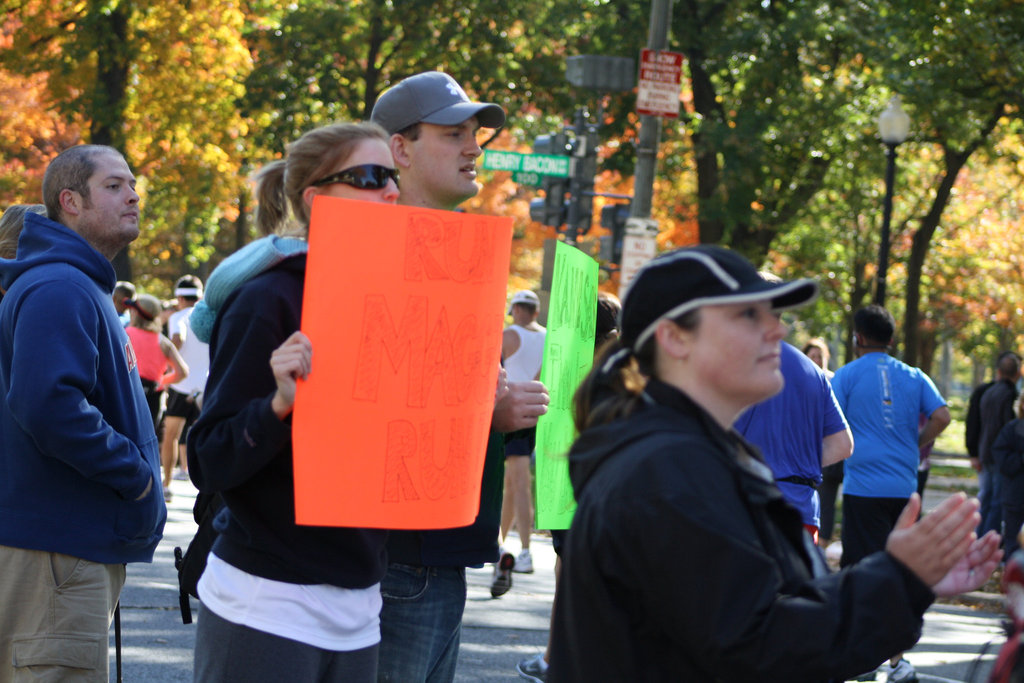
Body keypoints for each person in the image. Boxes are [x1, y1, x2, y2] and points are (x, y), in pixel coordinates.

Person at [547, 245, 1001, 682]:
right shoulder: (667, 473)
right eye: (749, 316)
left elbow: (771, 619)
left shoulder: (691, 456)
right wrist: (898, 580)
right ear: (674, 339)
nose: (777, 331)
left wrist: (910, 582)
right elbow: (759, 646)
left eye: (774, 316)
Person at [187, 121, 400, 683]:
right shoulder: (268, 299)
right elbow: (208, 458)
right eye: (369, 176)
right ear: (316, 198)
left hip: (361, 605)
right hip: (267, 602)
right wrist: (278, 405)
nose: (391, 191)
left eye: (392, 177)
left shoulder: (397, 302)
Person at [370, 70, 550, 683]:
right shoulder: (379, 249)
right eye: (453, 133)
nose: (475, 146)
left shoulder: (446, 252)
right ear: (400, 148)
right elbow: (378, 403)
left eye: (476, 133)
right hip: (398, 557)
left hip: (437, 555)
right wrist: (492, 415)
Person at [0, 144, 166, 682]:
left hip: (61, 556)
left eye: (132, 184)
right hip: (57, 560)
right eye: (115, 186)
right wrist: (137, 478)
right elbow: (49, 406)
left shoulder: (73, 283)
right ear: (70, 202)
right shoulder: (60, 286)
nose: (133, 195)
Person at [831, 304, 952, 682]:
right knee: (899, 568)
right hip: (903, 486)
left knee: (860, 569)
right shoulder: (914, 376)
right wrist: (915, 443)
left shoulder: (846, 376)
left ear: (859, 337)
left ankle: (863, 658)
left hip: (863, 486)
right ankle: (896, 659)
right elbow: (943, 416)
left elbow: (827, 418)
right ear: (891, 338)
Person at [515, 291, 620, 683]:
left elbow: (539, 394)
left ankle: (562, 657)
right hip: (595, 489)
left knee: (574, 572)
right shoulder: (621, 368)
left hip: (575, 484)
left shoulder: (578, 365)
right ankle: (559, 655)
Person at [735, 341, 853, 543]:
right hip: (803, 510)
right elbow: (843, 445)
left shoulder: (738, 363)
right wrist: (797, 460)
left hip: (749, 508)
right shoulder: (814, 372)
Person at [498, 289, 546, 579]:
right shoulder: (547, 336)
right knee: (512, 485)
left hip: (509, 413)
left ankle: (525, 551)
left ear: (515, 310)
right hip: (536, 411)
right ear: (536, 311)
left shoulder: (509, 334)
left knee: (518, 483)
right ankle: (500, 544)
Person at [160, 275, 210, 496]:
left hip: (181, 385)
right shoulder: (208, 317)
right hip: (206, 385)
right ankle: (210, 485)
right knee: (208, 434)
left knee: (171, 435)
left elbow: (177, 338)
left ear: (179, 298)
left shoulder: (178, 316)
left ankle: (167, 484)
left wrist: (170, 363)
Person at [125, 293, 189, 430]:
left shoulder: (125, 335)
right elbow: (182, 372)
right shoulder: (163, 341)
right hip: (153, 397)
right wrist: (161, 381)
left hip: (128, 393)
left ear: (135, 313)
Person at [977, 352, 1021, 537]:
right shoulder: (1009, 394)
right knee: (997, 501)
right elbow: (1008, 427)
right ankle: (989, 539)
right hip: (999, 455)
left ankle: (979, 536)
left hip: (985, 450)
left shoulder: (989, 391)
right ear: (1017, 372)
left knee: (986, 498)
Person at [993, 395, 1024, 557]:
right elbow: (1001, 459)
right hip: (1016, 497)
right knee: (1013, 541)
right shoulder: (1011, 429)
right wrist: (1020, 459)